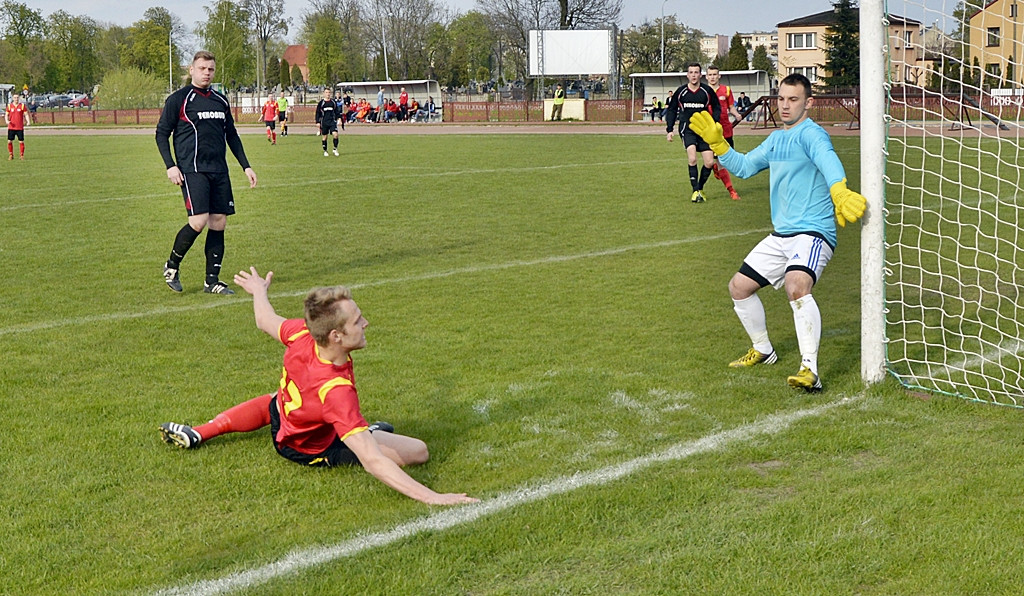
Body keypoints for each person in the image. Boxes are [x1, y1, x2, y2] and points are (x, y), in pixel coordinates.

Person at [159, 267, 479, 506]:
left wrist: (259, 291)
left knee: (276, 398)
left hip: (285, 414)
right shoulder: (336, 392)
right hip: (307, 446)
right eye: (357, 320)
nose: (365, 323)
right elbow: (373, 462)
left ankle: (201, 431)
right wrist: (434, 497)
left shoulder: (303, 333)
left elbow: (264, 320)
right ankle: (352, 436)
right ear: (336, 336)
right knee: (418, 451)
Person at [688, 73, 867, 392]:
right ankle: (763, 349)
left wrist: (839, 190)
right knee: (738, 287)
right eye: (781, 99)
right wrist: (719, 144)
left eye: (793, 99)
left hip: (813, 232)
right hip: (781, 235)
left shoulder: (813, 135)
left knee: (796, 285)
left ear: (808, 103)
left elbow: (828, 162)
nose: (785, 106)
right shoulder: (775, 139)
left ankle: (810, 370)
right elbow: (743, 167)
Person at [156, 50, 257, 295]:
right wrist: (171, 165)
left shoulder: (220, 100)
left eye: (210, 69)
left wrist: (246, 165)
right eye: (202, 68)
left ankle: (211, 281)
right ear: (192, 70)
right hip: (192, 170)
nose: (207, 73)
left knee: (219, 222)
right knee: (198, 221)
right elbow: (161, 134)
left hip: (219, 170)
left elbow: (231, 134)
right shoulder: (180, 99)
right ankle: (171, 266)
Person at [664, 63, 720, 203]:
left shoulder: (706, 91)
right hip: (687, 129)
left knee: (709, 162)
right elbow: (671, 110)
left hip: (704, 130)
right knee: (693, 158)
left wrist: (714, 123)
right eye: (691, 72)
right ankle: (695, 191)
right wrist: (669, 129)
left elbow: (717, 106)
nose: (694, 75)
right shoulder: (681, 91)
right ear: (687, 75)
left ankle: (699, 188)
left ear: (700, 75)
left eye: (696, 72)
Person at [705, 66, 743, 200]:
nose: (713, 77)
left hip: (726, 129)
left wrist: (737, 114)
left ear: (719, 76)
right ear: (706, 77)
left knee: (728, 161)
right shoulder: (704, 91)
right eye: (710, 75)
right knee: (718, 161)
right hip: (711, 132)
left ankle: (716, 167)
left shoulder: (726, 90)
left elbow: (731, 107)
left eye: (715, 74)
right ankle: (731, 191)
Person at [315, 88, 340, 157]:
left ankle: (335, 149)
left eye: (329, 92)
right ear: (324, 93)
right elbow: (317, 113)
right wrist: (317, 122)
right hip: (324, 122)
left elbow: (336, 111)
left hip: (332, 121)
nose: (328, 94)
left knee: (335, 135)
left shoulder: (333, 102)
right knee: (324, 137)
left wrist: (339, 118)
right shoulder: (321, 103)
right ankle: (325, 150)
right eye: (326, 92)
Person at [5, 93, 30, 160]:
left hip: (19, 127)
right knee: (9, 141)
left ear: (19, 98)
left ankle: (21, 155)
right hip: (11, 127)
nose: (16, 99)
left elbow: (26, 114)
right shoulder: (9, 106)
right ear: (13, 98)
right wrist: (7, 121)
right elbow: (6, 115)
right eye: (15, 98)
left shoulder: (22, 106)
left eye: (17, 97)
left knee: (21, 141)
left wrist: (28, 121)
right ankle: (11, 154)